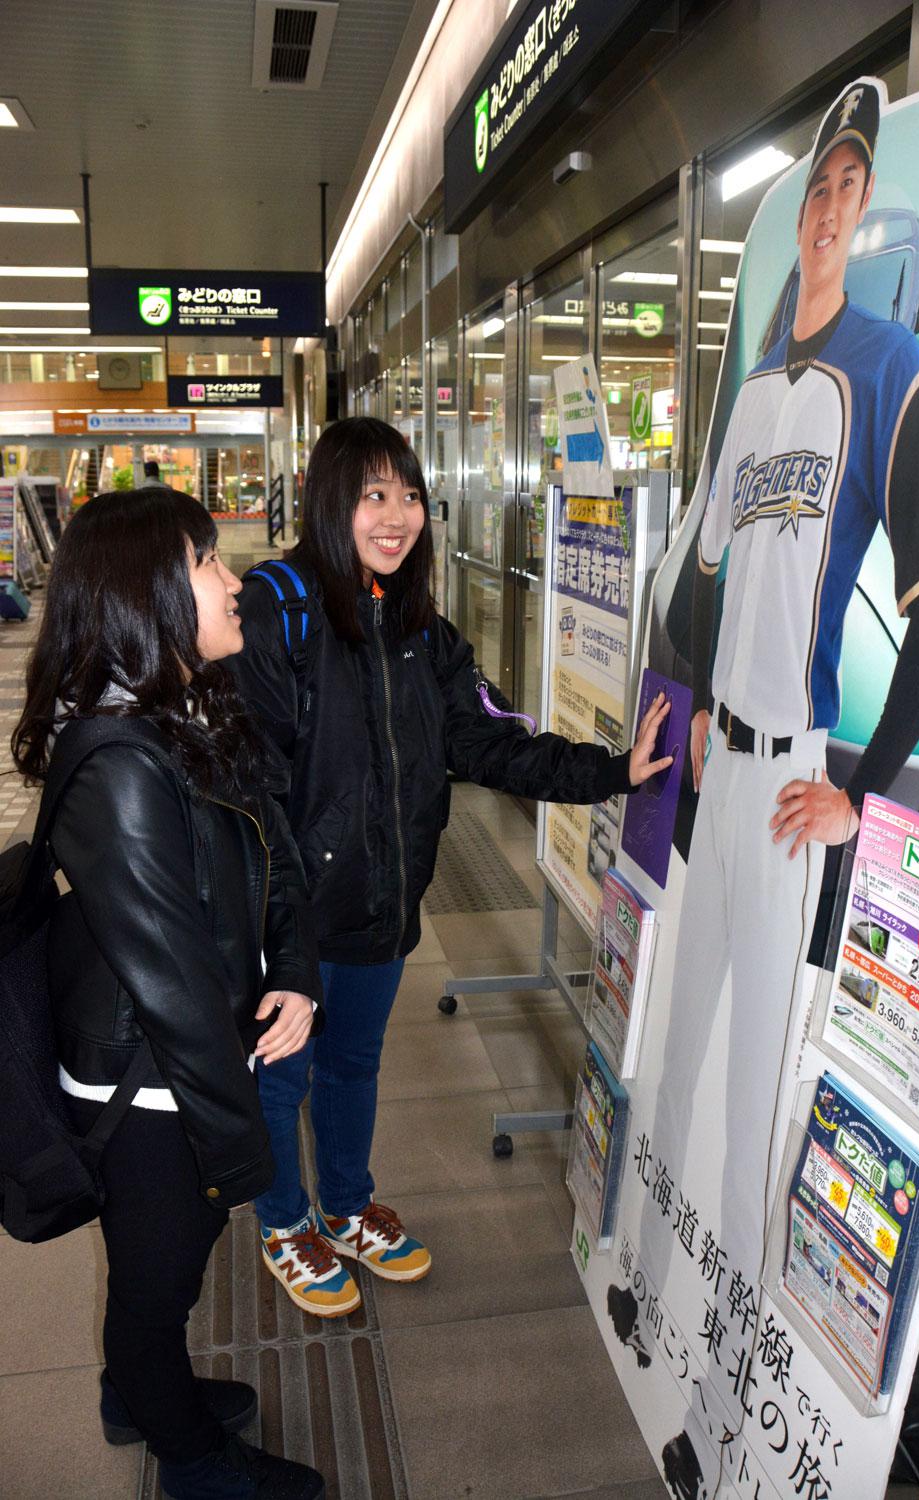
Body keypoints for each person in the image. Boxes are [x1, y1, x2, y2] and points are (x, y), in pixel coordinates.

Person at [650, 78, 919, 1499]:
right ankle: (653, 1333)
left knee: (744, 1132)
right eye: (822, 182)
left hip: (792, 789)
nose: (835, 201)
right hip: (711, 766)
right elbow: (700, 587)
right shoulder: (753, 384)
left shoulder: (888, 356)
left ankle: (728, 1446)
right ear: (801, 210)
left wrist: (876, 795)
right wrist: (665, 710)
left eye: (855, 181)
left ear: (867, 206)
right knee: (672, 1079)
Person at [229, 416, 672, 1317]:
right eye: (372, 496)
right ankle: (284, 1223)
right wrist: (282, 932)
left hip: (384, 907)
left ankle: (345, 1207)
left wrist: (610, 771)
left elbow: (491, 744)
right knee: (284, 1076)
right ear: (329, 501)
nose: (396, 518)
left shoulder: (423, 633)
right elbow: (252, 785)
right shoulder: (278, 607)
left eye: (410, 498)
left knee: (353, 1063)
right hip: (290, 914)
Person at [11, 489, 327, 1500]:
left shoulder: (185, 709)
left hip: (181, 1061)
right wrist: (238, 1145)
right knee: (159, 1280)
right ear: (148, 594)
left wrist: (292, 970)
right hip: (148, 1088)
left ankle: (134, 1394)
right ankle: (186, 1453)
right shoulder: (121, 763)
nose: (234, 581)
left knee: (163, 1271)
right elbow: (176, 985)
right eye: (208, 562)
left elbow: (264, 854)